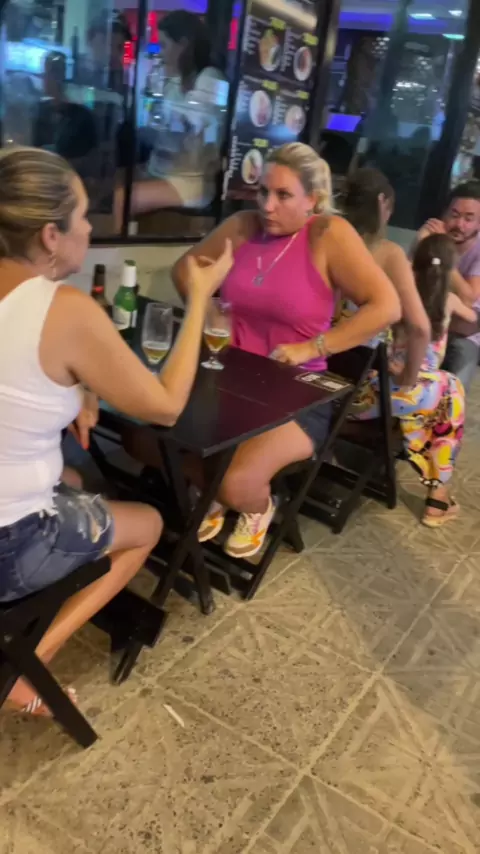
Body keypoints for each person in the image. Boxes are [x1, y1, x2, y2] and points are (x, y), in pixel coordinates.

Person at [0, 146, 232, 717]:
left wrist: (80, 386)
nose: (88, 229)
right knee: (149, 523)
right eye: (82, 217)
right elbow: (166, 407)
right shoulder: (63, 309)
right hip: (8, 545)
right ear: (50, 236)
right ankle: (28, 667)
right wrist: (199, 299)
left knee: (78, 478)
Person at [171, 143, 401, 559]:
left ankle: (255, 505)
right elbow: (185, 270)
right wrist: (209, 311)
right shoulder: (243, 225)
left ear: (313, 199)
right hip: (231, 379)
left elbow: (386, 307)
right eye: (263, 192)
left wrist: (313, 346)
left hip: (297, 393)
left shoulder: (327, 233)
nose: (267, 206)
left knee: (235, 482)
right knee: (143, 440)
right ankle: (213, 489)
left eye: (283, 195)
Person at [344, 170, 471, 526]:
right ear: (383, 204)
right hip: (368, 392)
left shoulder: (336, 248)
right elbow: (422, 327)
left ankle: (426, 477)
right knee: (450, 390)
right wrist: (408, 376)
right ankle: (438, 495)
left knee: (434, 391)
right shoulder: (387, 256)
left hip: (336, 381)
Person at [115, 11, 228, 229]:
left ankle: (116, 247)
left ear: (183, 45)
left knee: (122, 198)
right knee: (109, 180)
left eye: (164, 45)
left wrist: (157, 105)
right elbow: (156, 126)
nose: (161, 53)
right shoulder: (174, 81)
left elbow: (191, 125)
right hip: (159, 169)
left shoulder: (211, 78)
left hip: (190, 180)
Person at [416, 181, 480, 393]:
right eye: (454, 215)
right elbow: (405, 279)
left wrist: (440, 253)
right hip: (426, 323)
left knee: (455, 390)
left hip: (464, 332)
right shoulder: (430, 235)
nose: (459, 224)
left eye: (468, 219)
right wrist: (421, 245)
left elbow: (469, 299)